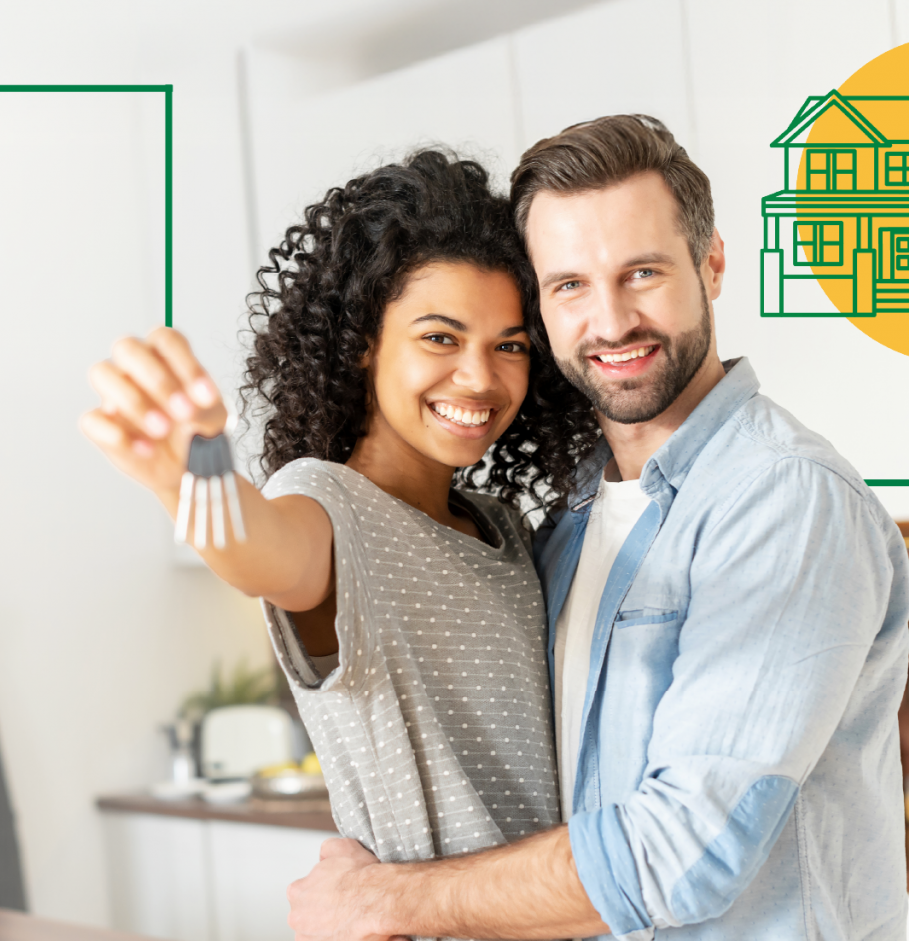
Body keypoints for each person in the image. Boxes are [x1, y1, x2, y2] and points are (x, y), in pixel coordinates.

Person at [282, 115, 909, 940]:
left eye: (642, 272)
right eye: (569, 285)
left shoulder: (783, 499)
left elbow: (683, 850)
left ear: (712, 263)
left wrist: (389, 899)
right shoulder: (567, 524)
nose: (610, 322)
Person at [78, 149, 597, 869]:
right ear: (362, 345)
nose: (479, 377)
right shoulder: (328, 505)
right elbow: (264, 551)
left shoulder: (500, 528)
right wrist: (188, 480)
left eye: (508, 345)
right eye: (439, 337)